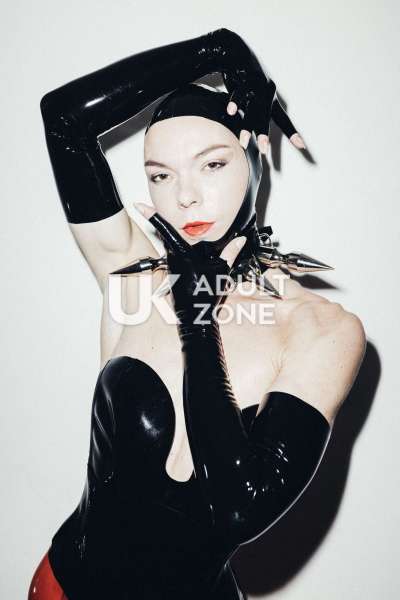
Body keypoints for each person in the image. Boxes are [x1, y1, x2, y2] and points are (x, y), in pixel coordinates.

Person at [29, 28, 366, 599]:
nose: (184, 195)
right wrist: (216, 52)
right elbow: (63, 119)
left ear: (253, 162)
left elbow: (240, 511)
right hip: (65, 585)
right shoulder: (132, 277)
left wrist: (197, 315)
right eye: (161, 175)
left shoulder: (321, 329)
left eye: (211, 165)